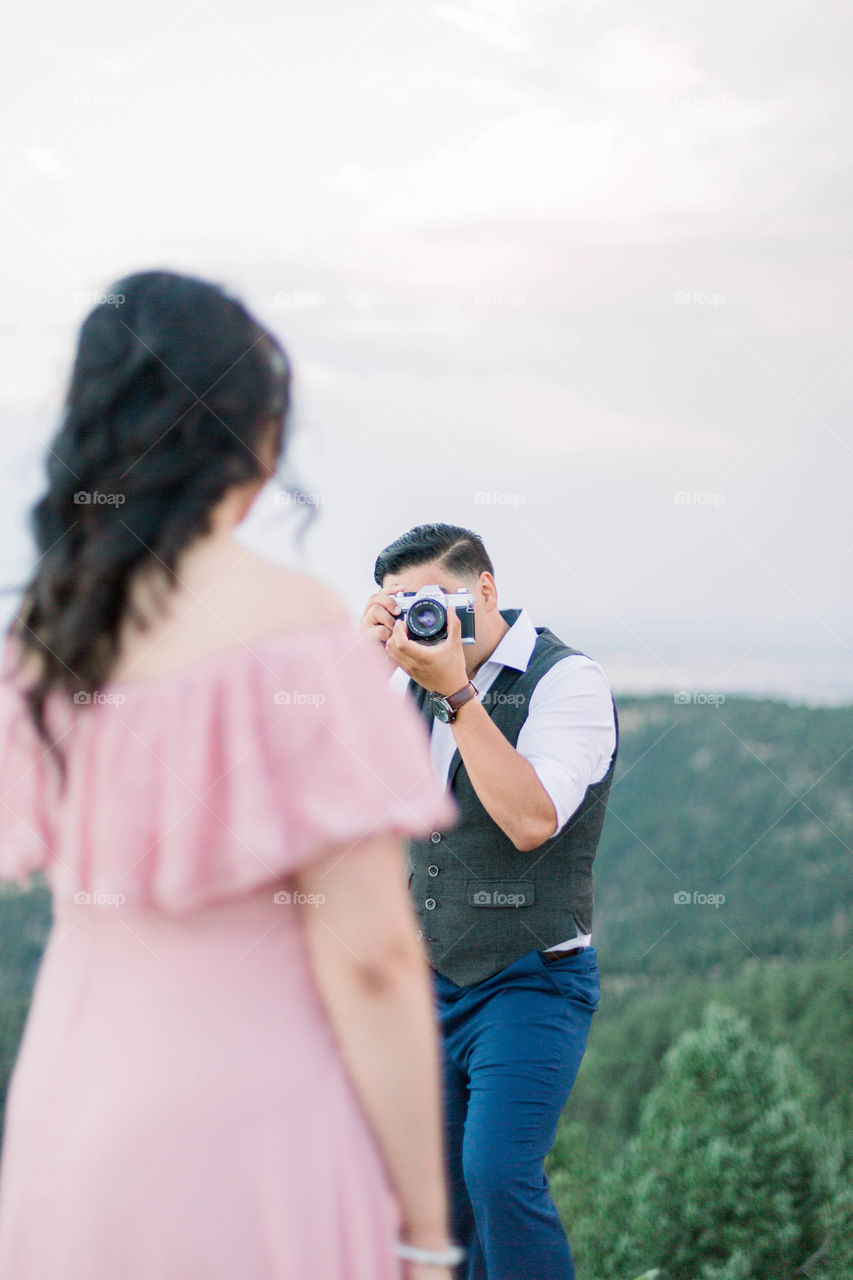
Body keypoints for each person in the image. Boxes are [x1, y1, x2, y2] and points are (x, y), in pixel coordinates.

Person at [0, 271, 466, 1280]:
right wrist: (426, 1232)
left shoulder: (41, 639)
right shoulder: (294, 631)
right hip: (247, 1131)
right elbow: (374, 957)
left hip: (64, 1111)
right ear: (250, 430)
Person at [359, 524, 619, 1280]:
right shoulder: (401, 678)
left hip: (531, 974)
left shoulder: (565, 679)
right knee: (432, 1197)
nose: (423, 621)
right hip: (426, 977)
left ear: (486, 591)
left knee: (498, 1176)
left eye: (436, 601)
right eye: (404, 606)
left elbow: (531, 819)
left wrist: (457, 694)